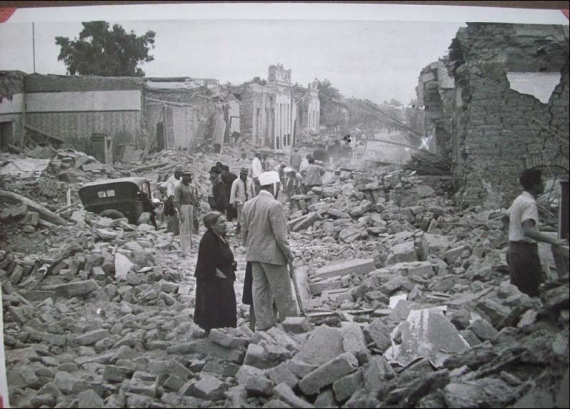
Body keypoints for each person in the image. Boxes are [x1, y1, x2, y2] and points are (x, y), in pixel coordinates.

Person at [242, 171, 297, 331]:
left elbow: (244, 232)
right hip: (273, 256)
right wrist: (289, 254)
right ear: (275, 186)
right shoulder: (275, 205)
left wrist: (250, 246)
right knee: (283, 291)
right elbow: (281, 236)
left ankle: (263, 324)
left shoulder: (248, 204)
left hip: (254, 255)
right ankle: (291, 324)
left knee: (259, 290)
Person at [504, 168, 568, 297]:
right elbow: (529, 231)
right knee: (533, 293)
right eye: (542, 181)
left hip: (514, 250)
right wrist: (554, 240)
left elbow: (505, 217)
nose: (545, 184)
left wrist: (514, 231)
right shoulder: (530, 203)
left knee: (520, 294)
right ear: (534, 185)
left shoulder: (519, 199)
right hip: (525, 253)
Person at [194, 211, 238, 336]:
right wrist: (223, 278)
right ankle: (214, 332)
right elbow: (208, 263)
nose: (225, 224)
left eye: (225, 221)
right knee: (214, 306)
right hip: (212, 280)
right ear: (212, 225)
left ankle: (225, 330)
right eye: (221, 222)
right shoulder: (208, 240)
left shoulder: (220, 236)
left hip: (223, 276)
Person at [174, 170, 199, 257]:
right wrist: (180, 213)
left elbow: (193, 200)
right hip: (183, 207)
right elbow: (176, 201)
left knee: (189, 228)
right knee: (184, 228)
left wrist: (194, 211)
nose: (188, 178)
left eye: (189, 176)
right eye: (186, 176)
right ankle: (184, 250)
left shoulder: (190, 187)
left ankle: (189, 248)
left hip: (190, 207)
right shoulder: (178, 187)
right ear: (182, 176)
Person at [230, 167, 255, 236]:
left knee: (249, 215)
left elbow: (252, 191)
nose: (244, 176)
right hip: (240, 201)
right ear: (241, 173)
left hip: (249, 201)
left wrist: (254, 199)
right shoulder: (236, 182)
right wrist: (232, 202)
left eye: (246, 174)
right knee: (241, 216)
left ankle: (248, 230)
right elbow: (232, 192)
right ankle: (242, 231)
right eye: (243, 174)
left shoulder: (250, 180)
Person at [162, 165, 183, 235]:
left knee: (179, 215)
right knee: (172, 214)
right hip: (172, 198)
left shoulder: (181, 179)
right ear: (176, 172)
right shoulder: (171, 179)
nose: (181, 174)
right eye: (179, 173)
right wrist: (173, 202)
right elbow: (169, 192)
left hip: (180, 198)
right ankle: (171, 230)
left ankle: (177, 230)